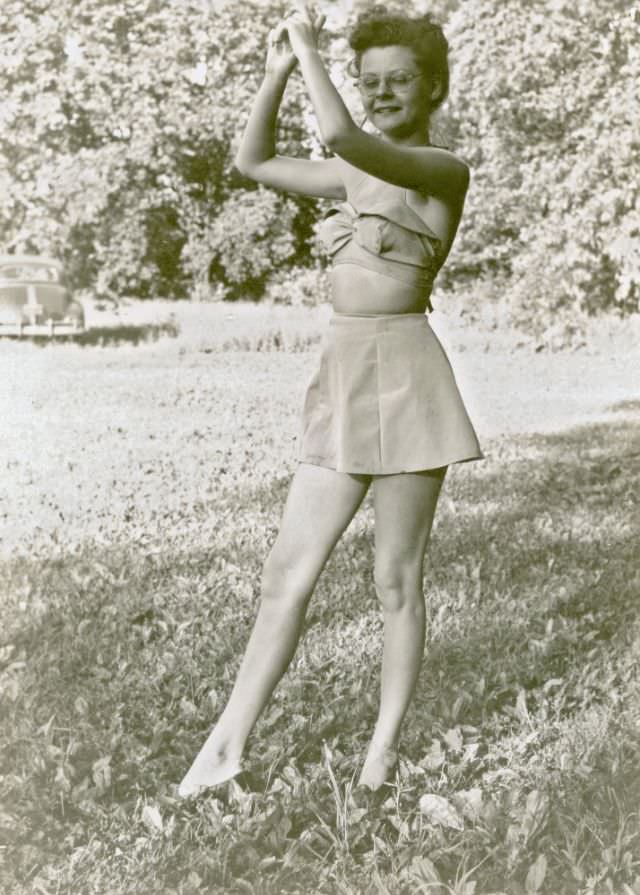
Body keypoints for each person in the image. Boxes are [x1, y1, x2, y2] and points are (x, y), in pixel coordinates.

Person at [178, 2, 482, 798]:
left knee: (396, 577)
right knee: (288, 568)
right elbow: (252, 162)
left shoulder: (444, 169)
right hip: (343, 372)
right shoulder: (356, 170)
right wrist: (281, 69)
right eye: (368, 81)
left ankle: (380, 753)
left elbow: (346, 138)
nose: (381, 94)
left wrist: (311, 44)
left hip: (410, 375)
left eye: (398, 82)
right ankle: (224, 749)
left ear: (432, 89)